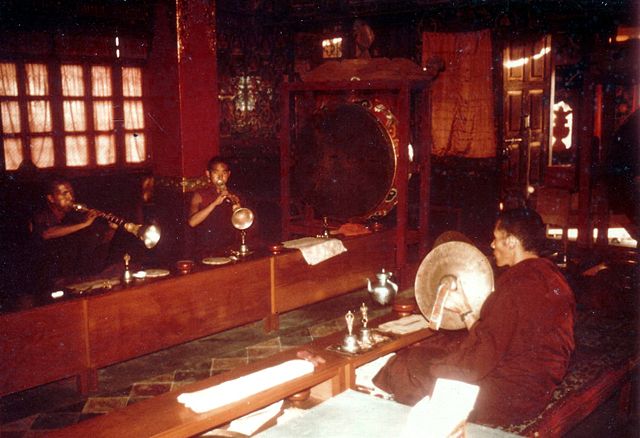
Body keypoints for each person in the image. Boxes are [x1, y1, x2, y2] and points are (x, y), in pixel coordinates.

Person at [373, 207, 576, 427]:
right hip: (542, 385)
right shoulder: (553, 276)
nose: (492, 245)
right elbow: (500, 336)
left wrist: (440, 367)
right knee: (438, 349)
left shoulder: (515, 287)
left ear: (511, 241)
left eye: (496, 238)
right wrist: (465, 312)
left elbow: (479, 360)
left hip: (512, 397)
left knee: (409, 364)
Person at [30, 178, 117, 288]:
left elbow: (96, 248)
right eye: (64, 194)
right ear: (51, 198)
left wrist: (111, 229)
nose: (71, 198)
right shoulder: (41, 215)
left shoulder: (74, 218)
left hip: (72, 279)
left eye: (71, 193)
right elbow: (46, 233)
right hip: (45, 282)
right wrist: (84, 224)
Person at [188, 156, 244, 258]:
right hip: (206, 249)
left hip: (229, 247)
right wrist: (214, 203)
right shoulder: (200, 195)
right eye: (216, 173)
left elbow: (242, 224)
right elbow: (192, 222)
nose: (220, 177)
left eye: (224, 173)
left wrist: (237, 209)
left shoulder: (234, 195)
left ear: (228, 174)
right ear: (208, 174)